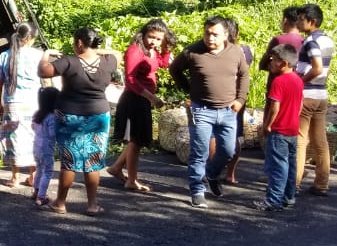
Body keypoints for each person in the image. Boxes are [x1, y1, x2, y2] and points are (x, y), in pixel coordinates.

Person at [169, 16, 250, 208]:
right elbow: (175, 69)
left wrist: (240, 99)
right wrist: (188, 89)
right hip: (201, 110)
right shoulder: (192, 51)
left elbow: (244, 75)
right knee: (200, 152)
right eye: (207, 33)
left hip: (228, 110)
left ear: (225, 35)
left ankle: (212, 174)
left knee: (228, 150)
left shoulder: (236, 52)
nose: (210, 38)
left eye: (215, 34)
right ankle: (197, 190)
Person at [39, 27, 116, 216]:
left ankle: (60, 203)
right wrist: (96, 50)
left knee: (69, 160)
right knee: (93, 159)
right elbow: (116, 53)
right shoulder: (109, 62)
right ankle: (92, 205)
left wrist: (45, 55)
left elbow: (44, 72)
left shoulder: (68, 62)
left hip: (69, 115)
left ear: (79, 43)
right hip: (98, 115)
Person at [107, 19, 174, 192]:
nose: (154, 42)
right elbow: (130, 80)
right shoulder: (135, 51)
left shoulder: (152, 51)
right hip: (134, 98)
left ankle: (116, 168)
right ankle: (132, 180)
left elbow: (163, 63)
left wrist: (166, 49)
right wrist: (152, 97)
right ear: (143, 34)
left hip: (143, 99)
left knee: (137, 141)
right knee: (136, 141)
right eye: (151, 37)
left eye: (159, 39)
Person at [252, 44, 303, 212]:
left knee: (278, 166)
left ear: (284, 63)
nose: (271, 63)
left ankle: (273, 200)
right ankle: (289, 197)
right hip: (293, 129)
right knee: (290, 164)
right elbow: (300, 104)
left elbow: (275, 107)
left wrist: (267, 125)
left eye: (274, 60)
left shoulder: (279, 81)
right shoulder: (298, 79)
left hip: (279, 130)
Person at [0, 23, 43, 189]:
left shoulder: (5, 56)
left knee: (13, 138)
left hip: (12, 102)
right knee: (34, 137)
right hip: (34, 102)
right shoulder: (38, 55)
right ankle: (33, 176)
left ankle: (14, 177)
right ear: (29, 38)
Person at [294, 4, 335, 196]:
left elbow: (317, 67)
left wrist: (300, 83)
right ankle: (321, 184)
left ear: (312, 21)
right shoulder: (327, 39)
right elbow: (324, 70)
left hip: (307, 95)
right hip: (321, 95)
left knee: (300, 141)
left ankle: (293, 184)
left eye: (302, 19)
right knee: (321, 141)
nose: (299, 22)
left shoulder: (310, 41)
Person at [223, 18, 254, 186]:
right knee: (235, 135)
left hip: (222, 97)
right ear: (238, 34)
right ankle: (231, 173)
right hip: (239, 98)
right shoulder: (246, 51)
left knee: (214, 135)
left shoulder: (222, 51)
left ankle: (212, 170)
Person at [30, 87, 60, 208]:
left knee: (39, 169)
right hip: (46, 147)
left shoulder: (38, 114)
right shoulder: (52, 117)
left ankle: (36, 191)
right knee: (48, 172)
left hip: (36, 145)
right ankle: (41, 196)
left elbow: (33, 127)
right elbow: (53, 133)